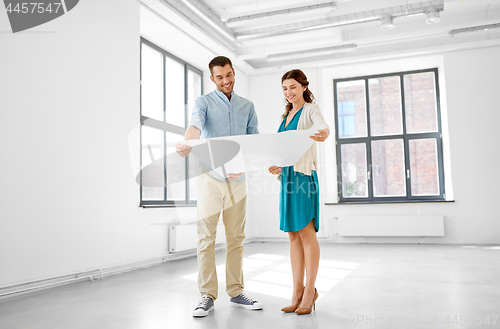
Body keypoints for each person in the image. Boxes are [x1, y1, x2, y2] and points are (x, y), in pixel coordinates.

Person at [176, 56, 262, 317]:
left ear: (233, 73)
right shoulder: (204, 103)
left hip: (238, 180)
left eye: (229, 75)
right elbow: (195, 127)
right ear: (212, 79)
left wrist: (247, 166)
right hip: (210, 177)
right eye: (220, 77)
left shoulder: (247, 106)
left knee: (236, 239)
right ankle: (206, 295)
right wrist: (187, 143)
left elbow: (254, 141)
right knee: (206, 239)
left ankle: (236, 292)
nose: (226, 81)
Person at [268, 69, 329, 315]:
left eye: (293, 87)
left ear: (303, 86)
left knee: (306, 234)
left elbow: (321, 125)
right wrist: (278, 165)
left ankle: (310, 291)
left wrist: (323, 132)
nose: (289, 92)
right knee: (293, 236)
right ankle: (296, 291)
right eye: (284, 88)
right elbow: (284, 149)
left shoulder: (310, 109)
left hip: (304, 177)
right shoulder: (285, 115)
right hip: (288, 178)